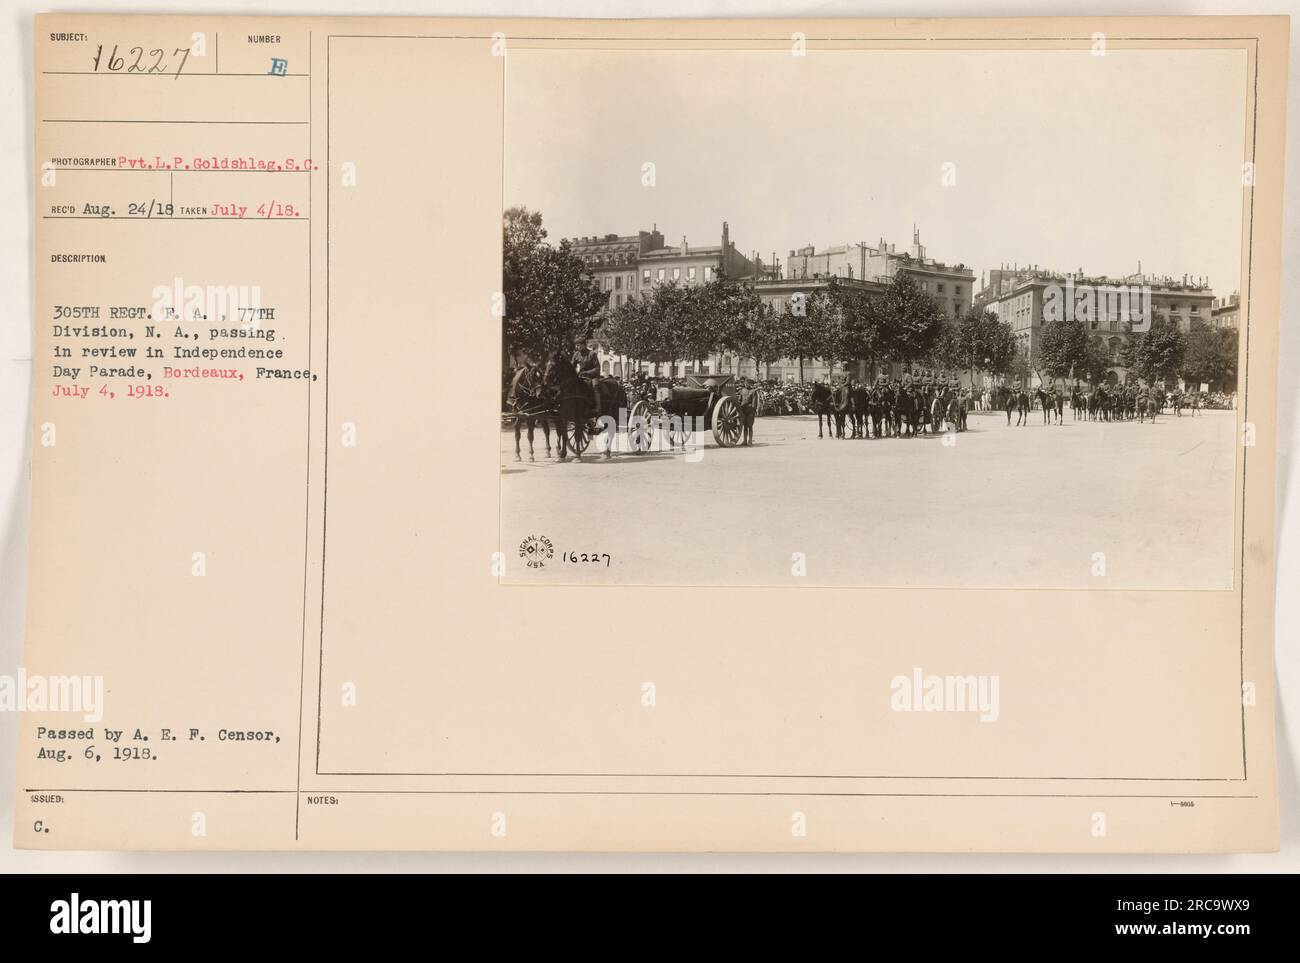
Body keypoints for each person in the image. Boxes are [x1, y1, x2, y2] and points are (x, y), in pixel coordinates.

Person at [572, 340, 601, 409]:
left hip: (593, 376)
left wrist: (586, 372)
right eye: (576, 345)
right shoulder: (576, 354)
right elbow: (572, 367)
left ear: (584, 345)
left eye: (578, 345)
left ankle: (598, 407)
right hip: (581, 376)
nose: (577, 347)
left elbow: (597, 368)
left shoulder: (592, 354)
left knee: (595, 386)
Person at [737, 377, 759, 446]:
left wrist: (753, 411)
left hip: (750, 411)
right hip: (743, 411)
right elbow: (740, 401)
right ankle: (745, 441)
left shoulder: (753, 391)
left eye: (748, 383)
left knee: (750, 426)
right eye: (745, 383)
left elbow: (754, 403)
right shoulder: (742, 390)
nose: (746, 384)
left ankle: (750, 441)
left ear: (750, 384)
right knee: (745, 426)